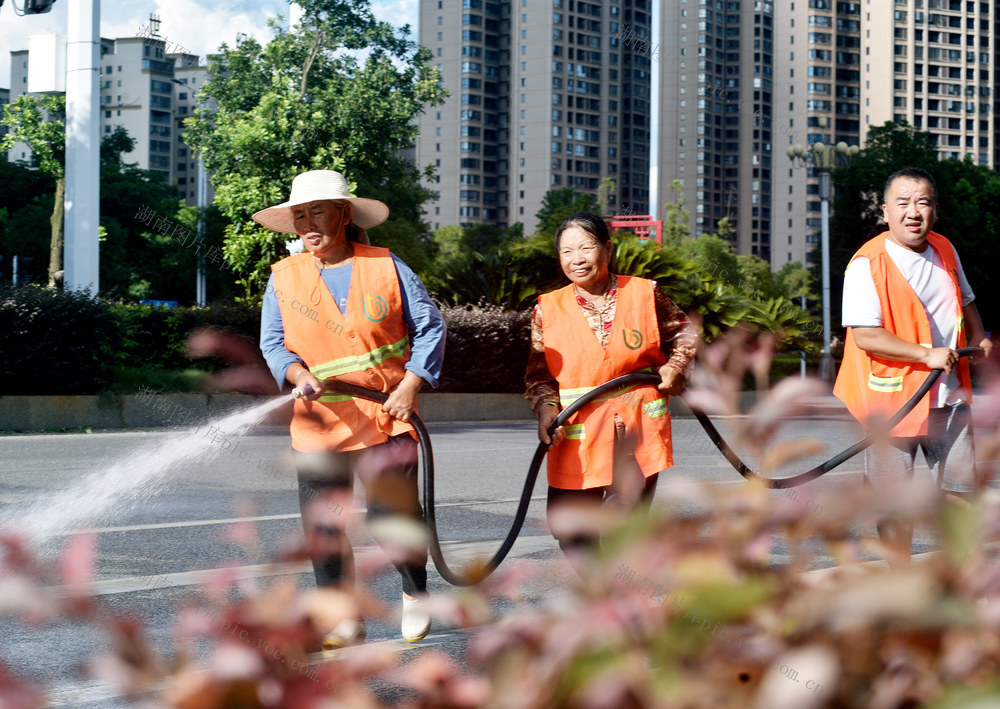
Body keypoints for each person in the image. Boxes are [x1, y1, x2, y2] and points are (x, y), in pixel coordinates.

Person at [256, 169, 445, 647]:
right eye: (299, 215)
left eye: (316, 211)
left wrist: (411, 384)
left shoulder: (387, 266)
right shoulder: (284, 277)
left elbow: (430, 327)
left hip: (386, 415)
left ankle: (413, 592)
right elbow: (274, 344)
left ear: (344, 214)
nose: (307, 223)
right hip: (320, 422)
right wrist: (299, 376)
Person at [834, 166, 993, 558]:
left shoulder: (944, 248)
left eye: (923, 202)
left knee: (961, 491)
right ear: (885, 211)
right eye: (902, 202)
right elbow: (865, 334)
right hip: (892, 404)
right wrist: (926, 354)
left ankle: (958, 574)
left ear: (935, 211)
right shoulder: (866, 264)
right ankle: (900, 581)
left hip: (949, 398)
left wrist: (979, 336)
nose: (913, 211)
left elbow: (966, 298)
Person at [524, 212, 697, 567]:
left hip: (636, 429)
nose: (577, 259)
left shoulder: (644, 293)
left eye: (586, 248)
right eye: (567, 251)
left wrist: (676, 367)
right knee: (571, 528)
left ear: (607, 248)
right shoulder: (547, 308)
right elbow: (538, 374)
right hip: (577, 431)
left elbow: (685, 334)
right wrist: (544, 408)